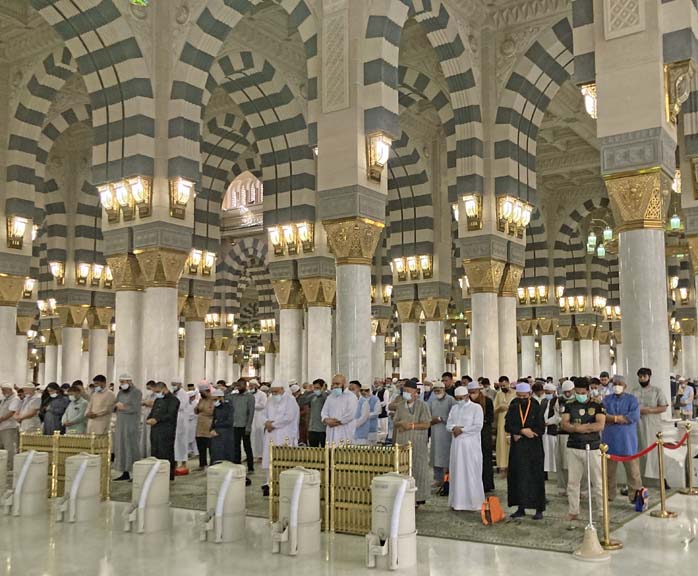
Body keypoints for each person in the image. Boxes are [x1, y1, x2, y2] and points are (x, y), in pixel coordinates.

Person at [561, 378, 606, 521]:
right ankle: (573, 511)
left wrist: (580, 428)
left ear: (588, 391)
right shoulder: (569, 404)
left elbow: (600, 425)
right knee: (573, 482)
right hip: (574, 446)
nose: (580, 395)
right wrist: (577, 429)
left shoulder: (597, 404)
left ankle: (602, 511)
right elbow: (564, 424)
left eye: (583, 393)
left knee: (598, 481)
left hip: (592, 447)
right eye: (578, 392)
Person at [505, 382, 546, 519]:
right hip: (518, 447)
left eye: (524, 396)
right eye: (519, 396)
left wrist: (529, 432)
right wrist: (520, 431)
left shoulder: (535, 406)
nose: (522, 399)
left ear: (529, 394)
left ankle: (539, 509)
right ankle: (520, 507)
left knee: (535, 476)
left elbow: (540, 427)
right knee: (519, 476)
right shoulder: (514, 405)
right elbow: (507, 425)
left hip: (534, 446)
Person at [602, 375, 642, 502]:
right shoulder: (606, 400)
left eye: (619, 384)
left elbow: (633, 417)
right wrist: (619, 418)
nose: (616, 386)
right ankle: (609, 495)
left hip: (628, 441)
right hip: (609, 440)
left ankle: (635, 496)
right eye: (614, 384)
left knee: (633, 473)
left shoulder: (632, 400)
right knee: (608, 473)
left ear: (625, 386)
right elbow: (602, 416)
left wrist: (613, 418)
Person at [393, 381, 432, 505]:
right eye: (404, 391)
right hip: (402, 442)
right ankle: (403, 496)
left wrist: (411, 426)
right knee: (403, 469)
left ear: (415, 392)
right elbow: (395, 421)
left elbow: (426, 424)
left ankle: (419, 497)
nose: (406, 393)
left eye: (408, 391)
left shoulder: (422, 406)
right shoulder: (400, 405)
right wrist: (401, 423)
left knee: (418, 469)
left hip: (418, 442)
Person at [446, 385, 484, 511]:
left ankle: (473, 503)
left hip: (471, 445)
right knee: (457, 472)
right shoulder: (454, 408)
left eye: (461, 398)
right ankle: (457, 502)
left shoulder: (476, 408)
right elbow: (448, 424)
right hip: (457, 445)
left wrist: (462, 430)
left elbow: (478, 426)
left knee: (471, 471)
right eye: (457, 398)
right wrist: (454, 428)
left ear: (467, 396)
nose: (459, 401)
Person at [261, 381, 300, 494]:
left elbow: (288, 417)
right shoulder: (270, 399)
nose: (274, 394)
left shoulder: (290, 400)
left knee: (284, 458)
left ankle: (284, 482)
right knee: (269, 458)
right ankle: (269, 482)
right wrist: (266, 422)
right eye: (272, 392)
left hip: (285, 434)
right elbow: (263, 414)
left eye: (276, 391)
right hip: (271, 434)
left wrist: (273, 424)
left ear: (283, 389)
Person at [633, 367, 668, 482]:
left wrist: (650, 410)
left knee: (654, 451)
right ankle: (639, 479)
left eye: (644, 376)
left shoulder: (657, 391)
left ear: (649, 377)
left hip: (653, 425)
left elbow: (663, 407)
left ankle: (660, 478)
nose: (642, 379)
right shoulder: (634, 391)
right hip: (638, 424)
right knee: (639, 450)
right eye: (640, 377)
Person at [146, 381, 180, 480]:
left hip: (166, 431)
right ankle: (156, 473)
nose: (157, 393)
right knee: (155, 451)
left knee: (166, 452)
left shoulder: (174, 400)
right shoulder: (158, 400)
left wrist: (157, 419)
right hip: (155, 430)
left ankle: (168, 475)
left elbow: (170, 415)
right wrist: (149, 418)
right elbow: (153, 412)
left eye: (158, 391)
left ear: (164, 389)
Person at [113, 374, 143, 481]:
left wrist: (123, 407)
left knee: (132, 447)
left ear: (129, 381)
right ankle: (124, 472)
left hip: (131, 424)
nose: (121, 384)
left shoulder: (136, 392)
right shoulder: (120, 392)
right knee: (121, 447)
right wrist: (116, 406)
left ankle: (136, 473)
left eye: (123, 382)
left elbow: (135, 408)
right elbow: (115, 404)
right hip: (121, 423)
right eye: (120, 382)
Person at [467, 380, 495, 492]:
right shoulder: (467, 402)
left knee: (485, 458)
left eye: (474, 392)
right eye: (471, 392)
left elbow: (491, 417)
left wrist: (479, 422)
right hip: (471, 434)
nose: (472, 394)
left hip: (484, 433)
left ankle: (486, 483)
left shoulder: (487, 401)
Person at [428, 380, 455, 485]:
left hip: (446, 433)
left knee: (446, 456)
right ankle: (438, 479)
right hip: (435, 432)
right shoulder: (433, 401)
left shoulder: (450, 400)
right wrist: (431, 420)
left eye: (438, 390)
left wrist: (441, 418)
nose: (437, 392)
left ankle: (447, 480)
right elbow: (429, 415)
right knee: (436, 456)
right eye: (435, 391)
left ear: (443, 389)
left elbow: (454, 416)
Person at [321, 374, 358, 445]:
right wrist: (325, 419)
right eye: (333, 384)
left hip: (345, 431)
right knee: (330, 450)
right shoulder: (330, 397)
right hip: (331, 432)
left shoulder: (351, 397)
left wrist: (337, 422)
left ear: (344, 384)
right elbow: (324, 411)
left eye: (337, 384)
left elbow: (351, 414)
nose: (335, 386)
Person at [231, 379, 255, 472]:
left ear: (245, 385)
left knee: (247, 446)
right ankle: (237, 465)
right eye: (238, 385)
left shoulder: (250, 397)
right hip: (235, 425)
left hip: (244, 425)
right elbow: (224, 396)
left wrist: (248, 427)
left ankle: (250, 466)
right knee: (235, 446)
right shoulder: (234, 396)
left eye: (241, 385)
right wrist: (232, 387)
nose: (239, 387)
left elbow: (251, 413)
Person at [494, 376, 516, 474]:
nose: (503, 387)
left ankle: (512, 464)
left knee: (511, 443)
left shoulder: (515, 393)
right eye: (501, 386)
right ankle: (502, 465)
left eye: (504, 385)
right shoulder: (499, 394)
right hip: (502, 422)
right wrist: (500, 407)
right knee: (501, 444)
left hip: (513, 421)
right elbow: (494, 409)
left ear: (508, 383)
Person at [210, 389, 235, 463]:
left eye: (215, 399)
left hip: (226, 434)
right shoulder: (216, 407)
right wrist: (212, 429)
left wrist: (217, 425)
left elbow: (229, 422)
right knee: (216, 455)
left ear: (221, 398)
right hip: (216, 434)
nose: (214, 402)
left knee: (225, 454)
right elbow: (214, 419)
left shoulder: (229, 407)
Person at [171, 379, 191, 471]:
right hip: (174, 422)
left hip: (182, 422)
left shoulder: (184, 394)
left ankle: (183, 463)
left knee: (182, 443)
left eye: (174, 384)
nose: (173, 386)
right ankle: (174, 463)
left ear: (179, 384)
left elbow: (180, 406)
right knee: (175, 444)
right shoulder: (173, 393)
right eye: (172, 384)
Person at [0, 382, 21, 468]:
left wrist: (1, 419)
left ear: (9, 390)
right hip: (2, 426)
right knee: (2, 447)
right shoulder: (5, 399)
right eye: (2, 390)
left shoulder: (15, 399)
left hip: (9, 427)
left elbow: (12, 412)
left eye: (4, 390)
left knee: (9, 448)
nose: (2, 392)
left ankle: (11, 466)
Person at [540, 382, 559, 477]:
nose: (547, 394)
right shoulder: (543, 401)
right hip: (544, 431)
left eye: (549, 393)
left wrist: (549, 422)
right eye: (546, 392)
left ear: (554, 392)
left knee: (553, 451)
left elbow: (558, 415)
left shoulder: (557, 401)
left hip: (553, 430)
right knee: (545, 452)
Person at [195, 381, 214, 470]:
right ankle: (202, 464)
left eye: (202, 392)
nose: (200, 394)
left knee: (210, 446)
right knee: (201, 446)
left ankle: (212, 464)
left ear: (207, 391)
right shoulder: (201, 400)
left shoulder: (213, 399)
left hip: (208, 426)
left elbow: (211, 412)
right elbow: (196, 409)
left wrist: (202, 411)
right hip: (200, 426)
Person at [249, 379, 267, 461]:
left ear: (256, 386)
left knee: (259, 436)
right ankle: (251, 454)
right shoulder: (248, 394)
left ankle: (260, 454)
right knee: (251, 436)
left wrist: (252, 405)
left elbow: (263, 405)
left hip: (259, 417)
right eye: (250, 385)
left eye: (252, 385)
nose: (250, 387)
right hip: (250, 418)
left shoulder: (262, 394)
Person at [308, 379, 328, 447]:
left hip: (323, 429)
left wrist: (323, 391)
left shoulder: (326, 396)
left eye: (318, 388)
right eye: (315, 388)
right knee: (313, 450)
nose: (316, 390)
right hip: (312, 428)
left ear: (322, 387)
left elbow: (327, 398)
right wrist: (307, 391)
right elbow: (303, 400)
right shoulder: (313, 397)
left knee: (324, 450)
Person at [140, 380, 156, 457]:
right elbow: (142, 402)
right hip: (145, 417)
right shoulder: (148, 396)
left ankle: (150, 454)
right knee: (145, 436)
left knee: (150, 436)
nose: (148, 390)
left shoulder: (157, 396)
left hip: (152, 417)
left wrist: (149, 403)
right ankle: (144, 453)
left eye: (149, 388)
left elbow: (156, 404)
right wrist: (145, 403)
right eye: (147, 389)